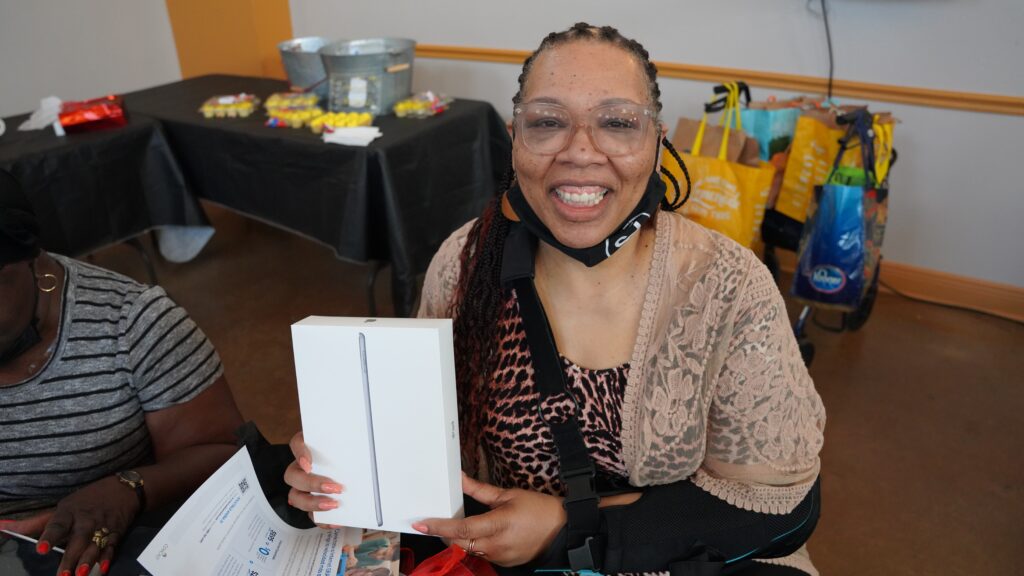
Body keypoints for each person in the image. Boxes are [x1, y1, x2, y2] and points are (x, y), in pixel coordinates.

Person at [285, 23, 825, 575]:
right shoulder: (463, 266)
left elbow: (781, 512)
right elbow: (422, 441)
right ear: (515, 136)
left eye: (617, 123)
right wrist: (349, 463)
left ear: (658, 142)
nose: (580, 152)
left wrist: (571, 526)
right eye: (547, 122)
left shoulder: (728, 286)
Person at [0, 168, 245, 576]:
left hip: (98, 546)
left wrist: (129, 487)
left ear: (31, 258)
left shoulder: (133, 322)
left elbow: (224, 456)